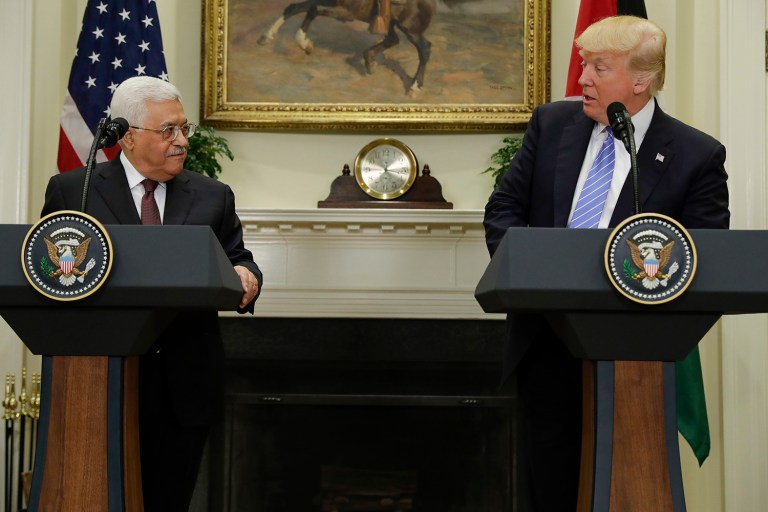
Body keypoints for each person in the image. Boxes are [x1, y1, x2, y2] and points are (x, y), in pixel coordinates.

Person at [483, 16, 729, 511]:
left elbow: (703, 254)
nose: (583, 80)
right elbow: (503, 208)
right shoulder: (552, 125)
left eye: (600, 67)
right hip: (547, 341)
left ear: (641, 80)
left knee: (631, 488)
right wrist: (532, 274)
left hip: (637, 350)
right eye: (583, 65)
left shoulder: (696, 155)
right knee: (549, 487)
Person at [40, 76, 262, 511]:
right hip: (99, 381)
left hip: (184, 382)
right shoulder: (74, 190)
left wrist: (247, 275)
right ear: (126, 138)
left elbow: (240, 258)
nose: (181, 141)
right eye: (168, 131)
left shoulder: (213, 196)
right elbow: (51, 273)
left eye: (183, 129)